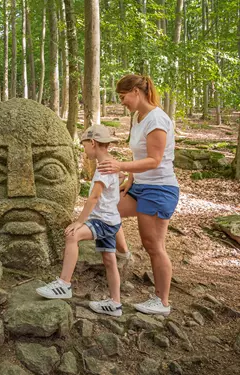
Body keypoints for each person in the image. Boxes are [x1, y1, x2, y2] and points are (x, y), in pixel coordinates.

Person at [98, 74, 179, 316]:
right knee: (107, 209)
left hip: (159, 189)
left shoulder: (156, 119)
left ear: (136, 91)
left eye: (123, 97)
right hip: (140, 186)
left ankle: (161, 301)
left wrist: (120, 167)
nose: (122, 102)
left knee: (153, 245)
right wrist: (128, 181)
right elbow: (138, 155)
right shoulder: (138, 117)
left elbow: (154, 160)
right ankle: (124, 255)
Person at [36, 125, 123, 317]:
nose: (84, 151)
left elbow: (93, 198)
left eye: (84, 146)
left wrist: (79, 222)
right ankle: (116, 303)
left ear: (93, 143)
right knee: (109, 260)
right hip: (112, 220)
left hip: (103, 221)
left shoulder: (103, 168)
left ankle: (64, 284)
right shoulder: (111, 163)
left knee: (72, 235)